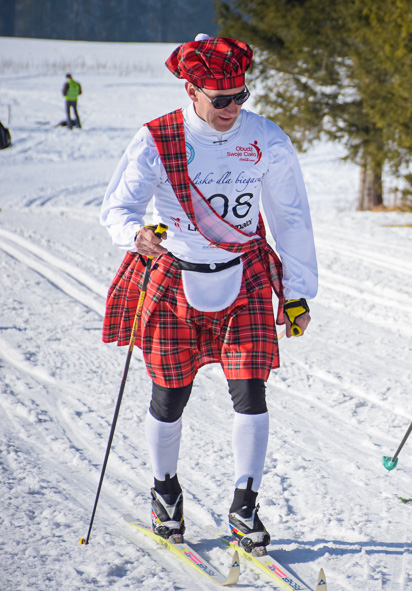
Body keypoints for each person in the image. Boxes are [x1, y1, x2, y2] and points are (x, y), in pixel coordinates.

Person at [100, 34, 318, 555]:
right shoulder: (158, 138)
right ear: (191, 89)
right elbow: (117, 207)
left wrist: (297, 293)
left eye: (240, 96)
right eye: (220, 99)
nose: (232, 108)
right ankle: (165, 490)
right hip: (175, 276)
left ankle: (245, 503)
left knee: (251, 391)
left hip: (242, 277)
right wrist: (135, 235)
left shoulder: (266, 138)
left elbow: (291, 218)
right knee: (170, 396)